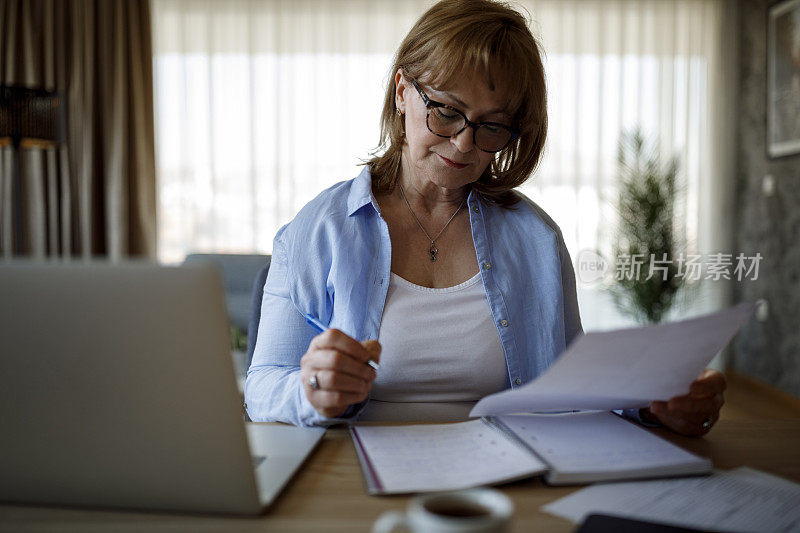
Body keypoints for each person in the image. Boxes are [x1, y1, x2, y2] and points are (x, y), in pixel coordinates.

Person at [245, 0, 725, 436]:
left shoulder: (535, 238)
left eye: (492, 126)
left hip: (509, 476)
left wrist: (653, 403)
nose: (464, 144)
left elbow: (572, 383)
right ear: (401, 92)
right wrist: (310, 391)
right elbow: (263, 386)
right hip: (354, 473)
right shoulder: (318, 230)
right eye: (447, 112)